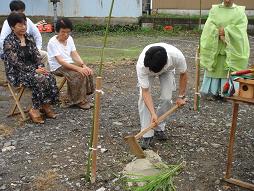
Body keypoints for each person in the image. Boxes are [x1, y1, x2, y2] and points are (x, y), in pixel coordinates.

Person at [3, 12, 59, 124]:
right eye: (20, 25)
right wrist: (34, 70)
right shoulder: (8, 42)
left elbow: (37, 56)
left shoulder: (29, 38)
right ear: (12, 27)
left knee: (49, 76)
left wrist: (40, 67)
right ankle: (34, 109)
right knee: (39, 78)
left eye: (25, 24)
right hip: (17, 73)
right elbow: (16, 63)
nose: (23, 27)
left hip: (33, 69)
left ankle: (46, 105)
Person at [136, 43, 187, 149]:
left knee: (167, 98)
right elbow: (146, 92)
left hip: (167, 70)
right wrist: (153, 113)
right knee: (142, 99)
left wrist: (181, 96)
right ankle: (147, 134)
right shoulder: (142, 65)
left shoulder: (177, 56)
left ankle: (159, 127)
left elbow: (183, 74)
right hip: (148, 69)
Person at [200, 0, 250, 99]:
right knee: (215, 67)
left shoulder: (239, 11)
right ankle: (212, 92)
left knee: (230, 67)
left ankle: (228, 92)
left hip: (231, 45)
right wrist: (218, 32)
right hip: (217, 44)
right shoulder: (215, 10)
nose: (227, 1)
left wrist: (227, 32)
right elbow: (209, 26)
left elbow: (241, 28)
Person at [47, 17, 94, 109]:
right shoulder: (52, 42)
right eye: (63, 32)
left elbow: (74, 53)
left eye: (68, 32)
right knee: (77, 74)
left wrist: (83, 65)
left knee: (87, 71)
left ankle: (83, 97)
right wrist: (78, 68)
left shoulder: (70, 39)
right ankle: (76, 101)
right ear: (57, 31)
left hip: (69, 63)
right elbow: (61, 61)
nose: (66, 34)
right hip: (58, 66)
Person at [0, 0, 47, 65]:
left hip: (28, 51)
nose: (23, 27)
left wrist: (38, 49)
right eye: (19, 11)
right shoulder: (8, 23)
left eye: (22, 11)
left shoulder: (27, 21)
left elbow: (37, 35)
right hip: (14, 54)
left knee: (44, 55)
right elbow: (2, 41)